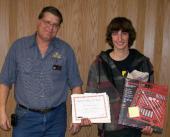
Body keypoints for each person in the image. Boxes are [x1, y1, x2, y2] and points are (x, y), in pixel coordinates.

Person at [0, 6, 82, 137]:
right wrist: (1, 110)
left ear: (59, 28)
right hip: (25, 119)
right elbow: (5, 80)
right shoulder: (18, 47)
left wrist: (78, 116)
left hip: (56, 119)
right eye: (47, 22)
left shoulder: (65, 50)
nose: (50, 28)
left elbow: (75, 84)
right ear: (39, 22)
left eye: (55, 25)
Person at [85, 17, 154, 137]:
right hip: (108, 130)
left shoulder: (143, 63)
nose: (120, 38)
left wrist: (149, 123)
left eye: (124, 33)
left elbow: (151, 98)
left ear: (129, 36)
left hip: (133, 128)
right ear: (110, 36)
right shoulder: (99, 64)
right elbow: (90, 94)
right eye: (115, 33)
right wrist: (86, 115)